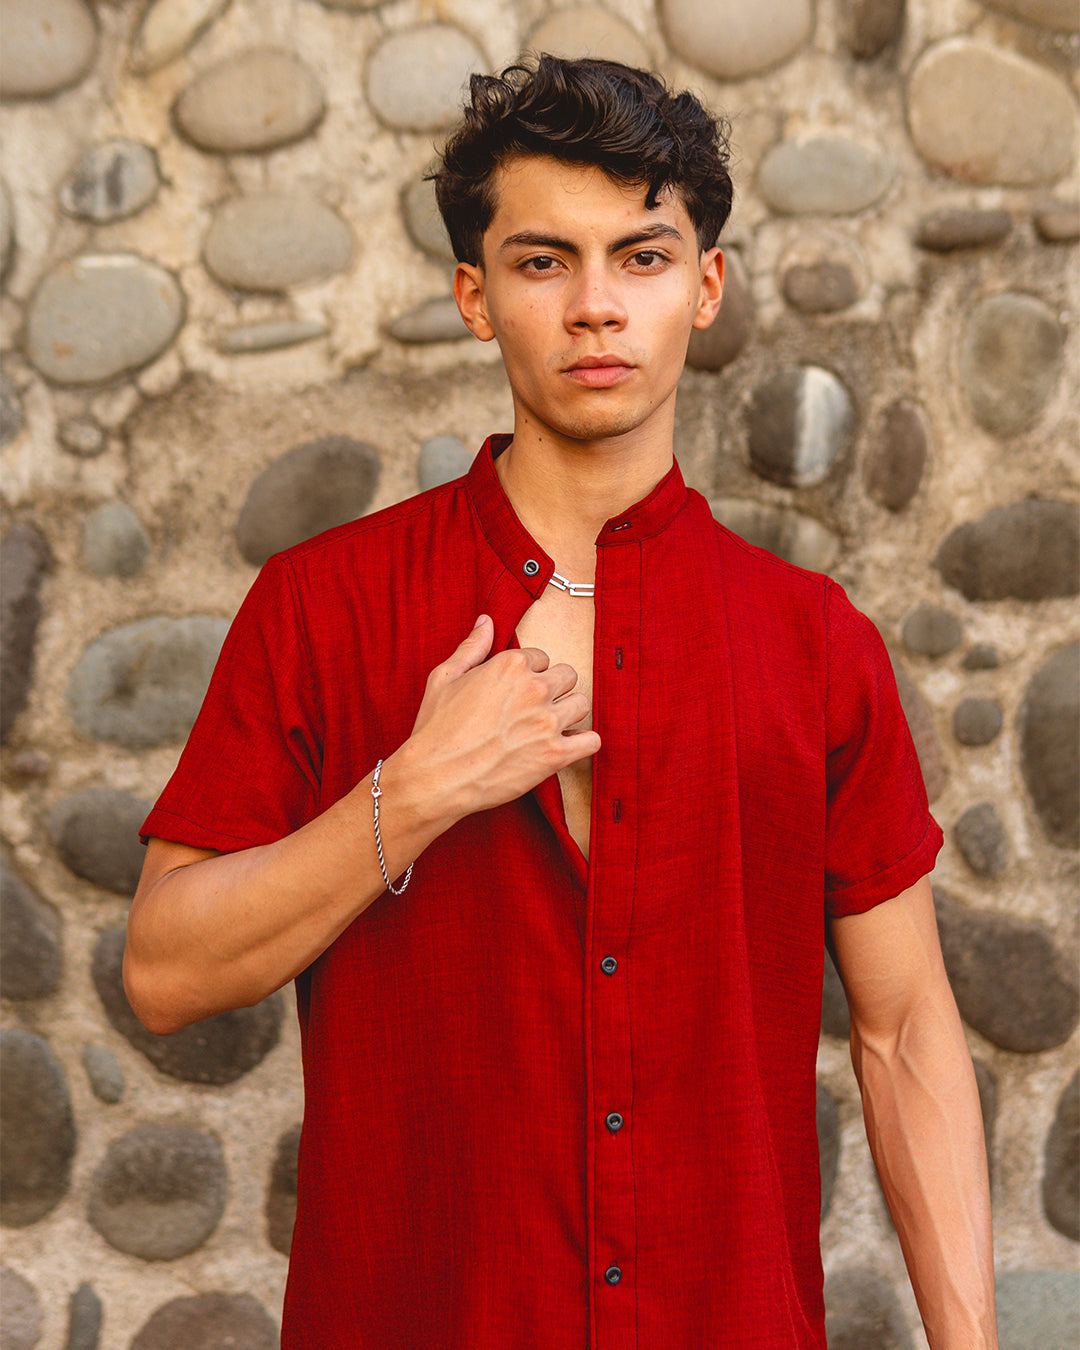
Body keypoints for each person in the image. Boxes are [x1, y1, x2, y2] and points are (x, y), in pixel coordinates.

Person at [126, 56, 997, 1350]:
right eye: (544, 264)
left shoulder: (816, 646)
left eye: (641, 259)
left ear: (705, 287)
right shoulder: (326, 606)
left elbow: (906, 1027)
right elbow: (162, 970)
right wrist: (413, 791)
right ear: (475, 297)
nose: (597, 307)